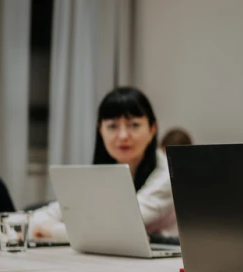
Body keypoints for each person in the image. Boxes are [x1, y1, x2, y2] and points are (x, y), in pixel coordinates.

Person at [30, 87, 176, 242]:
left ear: (152, 129)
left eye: (134, 125)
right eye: (112, 126)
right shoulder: (105, 172)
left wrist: (52, 231)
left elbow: (118, 228)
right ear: (100, 130)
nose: (123, 135)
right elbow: (48, 216)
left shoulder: (168, 175)